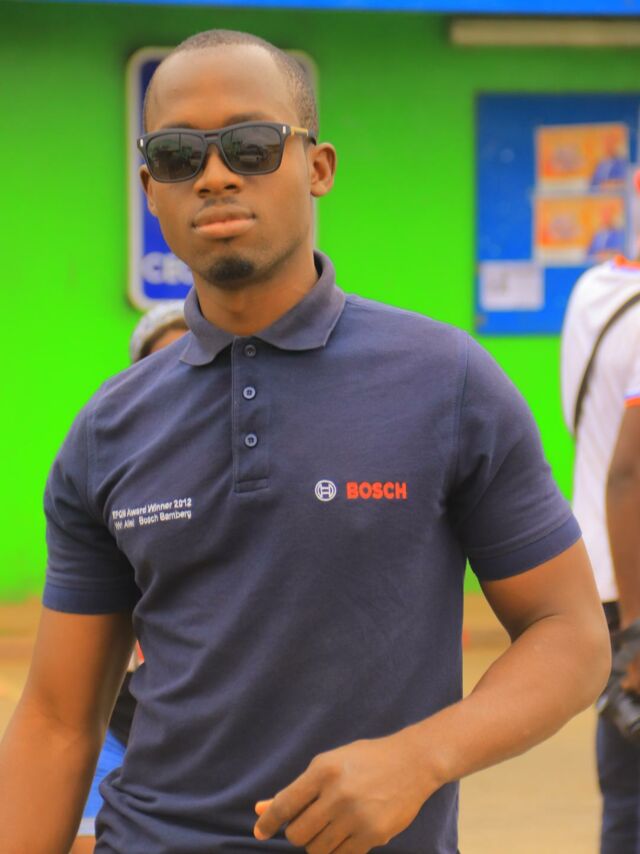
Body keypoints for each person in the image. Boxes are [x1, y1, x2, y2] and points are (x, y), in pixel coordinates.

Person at [0, 29, 610, 854]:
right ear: (151, 189)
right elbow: (57, 720)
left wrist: (423, 757)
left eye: (250, 146)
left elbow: (571, 635)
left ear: (317, 167)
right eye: (179, 156)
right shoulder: (109, 430)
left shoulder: (447, 383)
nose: (215, 175)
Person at [71, 300, 188, 854]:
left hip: (237, 755)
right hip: (125, 729)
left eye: (197, 357)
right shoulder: (110, 481)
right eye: (159, 364)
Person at [561, 250, 640, 854]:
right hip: (635, 591)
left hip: (602, 577)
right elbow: (629, 474)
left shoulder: (593, 289)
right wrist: (638, 634)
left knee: (627, 797)